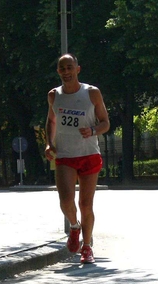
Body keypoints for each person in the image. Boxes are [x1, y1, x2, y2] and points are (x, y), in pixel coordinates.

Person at [45, 53, 110, 264]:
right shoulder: (54, 95)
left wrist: (92, 130)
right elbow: (51, 121)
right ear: (58, 72)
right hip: (65, 155)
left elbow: (105, 123)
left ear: (77, 69)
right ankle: (74, 227)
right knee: (65, 201)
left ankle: (88, 246)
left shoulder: (92, 93)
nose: (66, 72)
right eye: (62, 68)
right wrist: (49, 142)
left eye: (69, 67)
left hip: (89, 153)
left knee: (85, 204)